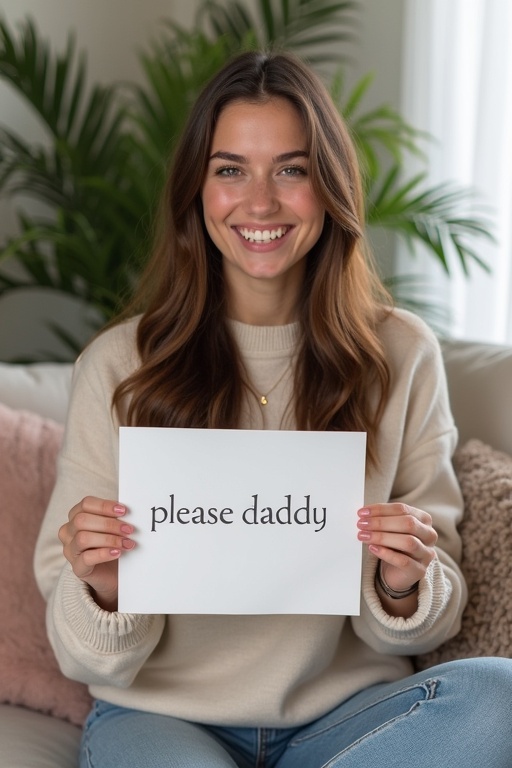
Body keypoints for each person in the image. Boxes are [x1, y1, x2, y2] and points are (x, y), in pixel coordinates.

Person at [34, 49, 512, 767]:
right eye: (231, 169)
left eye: (291, 169)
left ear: (330, 187)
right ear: (197, 188)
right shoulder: (118, 365)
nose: (260, 203)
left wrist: (404, 582)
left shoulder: (402, 355)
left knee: (498, 695)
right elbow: (83, 656)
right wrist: (103, 590)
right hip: (166, 720)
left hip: (347, 718)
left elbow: (421, 624)